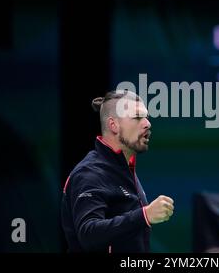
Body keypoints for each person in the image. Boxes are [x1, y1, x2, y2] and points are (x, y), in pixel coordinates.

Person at [61, 90, 174, 252]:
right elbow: (87, 234)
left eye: (146, 117)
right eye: (137, 117)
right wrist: (144, 215)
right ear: (113, 125)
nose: (147, 123)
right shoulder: (90, 173)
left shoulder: (124, 167)